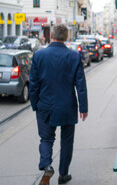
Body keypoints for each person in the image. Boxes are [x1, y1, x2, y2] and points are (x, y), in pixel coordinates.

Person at [29, 24, 88, 185]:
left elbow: (33, 84)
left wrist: (35, 104)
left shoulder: (39, 55)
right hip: (67, 106)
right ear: (66, 37)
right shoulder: (74, 56)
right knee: (67, 141)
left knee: (46, 139)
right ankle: (63, 174)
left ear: (51, 36)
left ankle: (47, 165)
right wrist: (83, 108)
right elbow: (80, 85)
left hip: (45, 106)